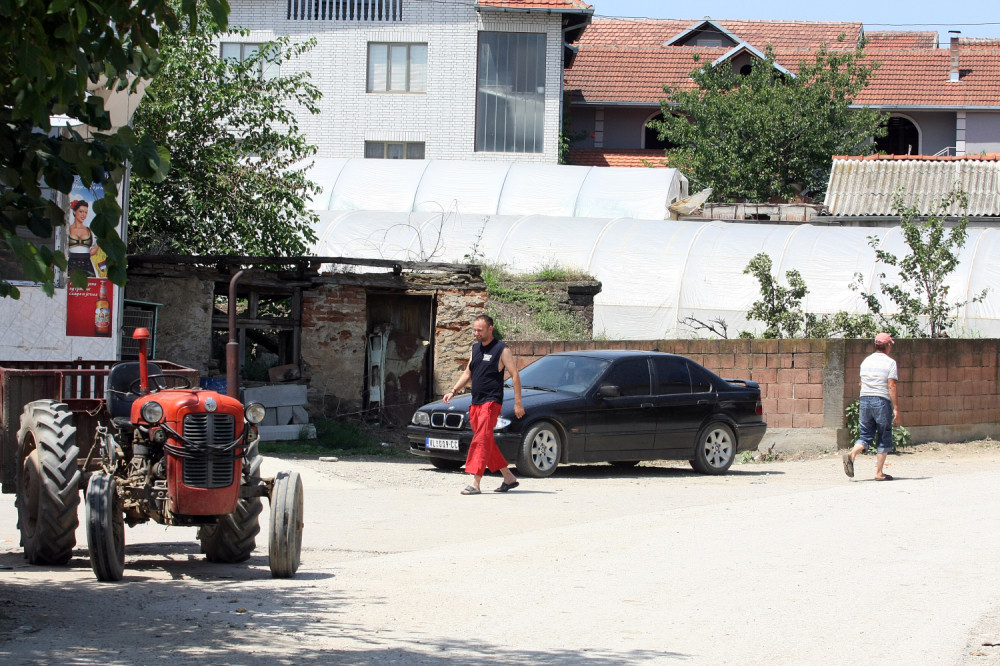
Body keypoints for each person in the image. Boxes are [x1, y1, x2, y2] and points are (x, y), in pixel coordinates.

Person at [444, 314, 525, 495]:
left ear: (490, 329)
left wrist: (518, 403)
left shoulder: (502, 349)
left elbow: (515, 375)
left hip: (491, 402)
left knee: (481, 440)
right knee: (486, 440)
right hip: (476, 402)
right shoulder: (475, 348)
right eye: (475, 330)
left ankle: (476, 483)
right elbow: (467, 373)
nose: (476, 333)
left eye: (480, 330)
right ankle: (508, 477)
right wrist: (453, 391)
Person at [843, 332, 899, 481]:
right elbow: (892, 386)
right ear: (888, 346)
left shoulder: (866, 361)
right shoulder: (890, 363)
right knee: (884, 435)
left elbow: (861, 383)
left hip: (864, 399)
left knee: (866, 435)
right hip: (881, 401)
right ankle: (879, 473)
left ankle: (852, 454)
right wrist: (895, 407)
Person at [67, 200, 97, 277]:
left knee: (90, 284)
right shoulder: (67, 230)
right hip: (71, 264)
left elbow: (92, 251)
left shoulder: (90, 231)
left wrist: (98, 246)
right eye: (81, 212)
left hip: (87, 265)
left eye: (86, 212)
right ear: (74, 212)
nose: (83, 215)